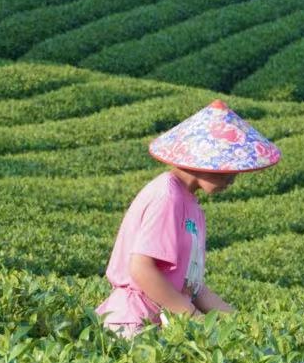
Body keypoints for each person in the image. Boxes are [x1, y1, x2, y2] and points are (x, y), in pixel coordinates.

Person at [95, 99, 281, 336]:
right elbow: (141, 269)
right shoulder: (167, 196)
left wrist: (241, 325)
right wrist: (193, 317)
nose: (233, 177)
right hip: (134, 322)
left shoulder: (192, 205)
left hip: (161, 324)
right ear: (202, 158)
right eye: (229, 166)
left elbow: (194, 288)